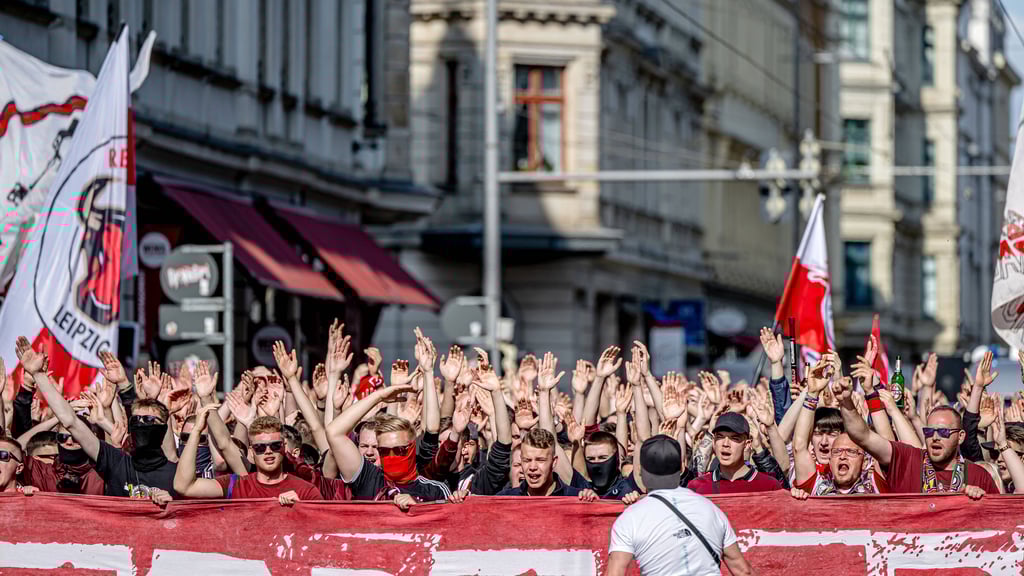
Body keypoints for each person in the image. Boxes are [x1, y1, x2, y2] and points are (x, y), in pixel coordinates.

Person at [18, 340, 178, 498]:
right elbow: (70, 421)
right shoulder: (116, 462)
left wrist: (171, 504)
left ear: (163, 428)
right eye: (135, 420)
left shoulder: (176, 473)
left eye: (148, 420)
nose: (141, 424)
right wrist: (38, 375)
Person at [608, 435, 753, 576]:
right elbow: (743, 571)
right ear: (681, 468)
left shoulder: (630, 518)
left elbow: (616, 572)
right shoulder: (711, 509)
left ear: (640, 469)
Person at [834, 376, 998, 498]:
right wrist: (846, 403)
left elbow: (999, 521)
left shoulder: (979, 476)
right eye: (929, 432)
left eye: (943, 432)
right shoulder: (907, 460)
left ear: (960, 436)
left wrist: (980, 501)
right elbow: (863, 436)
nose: (935, 437)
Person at [325, 382, 453, 509]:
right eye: (384, 451)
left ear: (412, 447)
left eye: (399, 450)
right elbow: (334, 432)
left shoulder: (435, 490)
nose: (391, 456)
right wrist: (379, 397)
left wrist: (419, 508)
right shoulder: (369, 478)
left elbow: (451, 519)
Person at [174, 407, 322, 504]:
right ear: (252, 452)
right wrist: (196, 432)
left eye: (275, 445)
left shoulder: (306, 491)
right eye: (260, 447)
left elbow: (324, 532)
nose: (268, 451)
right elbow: (184, 487)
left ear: (284, 447)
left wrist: (303, 508)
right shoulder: (235, 485)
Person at [688, 412, 783, 495]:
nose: (725, 444)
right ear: (713, 443)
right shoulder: (697, 487)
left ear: (747, 444)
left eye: (734, 438)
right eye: (720, 437)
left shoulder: (769, 486)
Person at [497, 427, 598, 500]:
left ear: (554, 462)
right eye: (527, 460)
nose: (532, 467)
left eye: (540, 460)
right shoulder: (505, 500)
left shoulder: (575, 498)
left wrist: (594, 505)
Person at [577, 431, 639, 499]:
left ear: (616, 458)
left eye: (602, 457)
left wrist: (635, 499)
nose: (596, 463)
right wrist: (576, 442)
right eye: (591, 459)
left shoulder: (628, 488)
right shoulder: (583, 489)